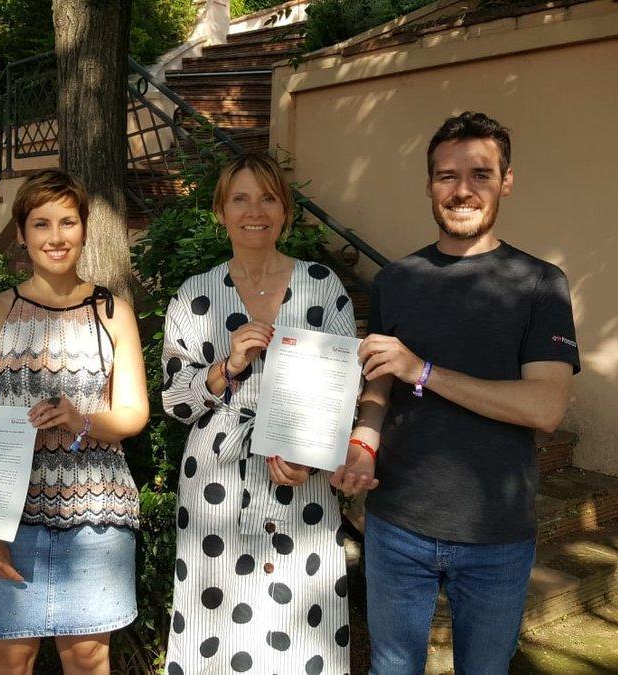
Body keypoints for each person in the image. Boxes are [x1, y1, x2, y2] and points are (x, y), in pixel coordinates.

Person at [353, 111, 580, 673]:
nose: (462, 190)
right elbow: (380, 385)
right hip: (396, 523)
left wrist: (423, 371)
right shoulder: (395, 280)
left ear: (506, 181)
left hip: (495, 532)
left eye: (480, 174)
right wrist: (363, 444)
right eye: (446, 176)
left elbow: (546, 407)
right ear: (429, 184)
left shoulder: (539, 283)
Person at [160, 152, 375, 675]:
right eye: (240, 198)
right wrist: (225, 367)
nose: (254, 210)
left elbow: (345, 388)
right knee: (217, 626)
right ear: (220, 212)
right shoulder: (195, 295)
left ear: (285, 211)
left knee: (302, 624)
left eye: (268, 197)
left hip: (301, 482)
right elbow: (175, 402)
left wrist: (310, 455)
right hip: (216, 484)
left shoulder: (322, 285)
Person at [0, 169, 148, 675]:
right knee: (8, 660)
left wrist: (82, 419)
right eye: (41, 224)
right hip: (7, 514)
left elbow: (135, 414)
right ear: (22, 234)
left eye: (67, 222)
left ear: (84, 229)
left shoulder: (114, 312)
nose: (56, 237)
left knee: (90, 659)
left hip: (96, 512)